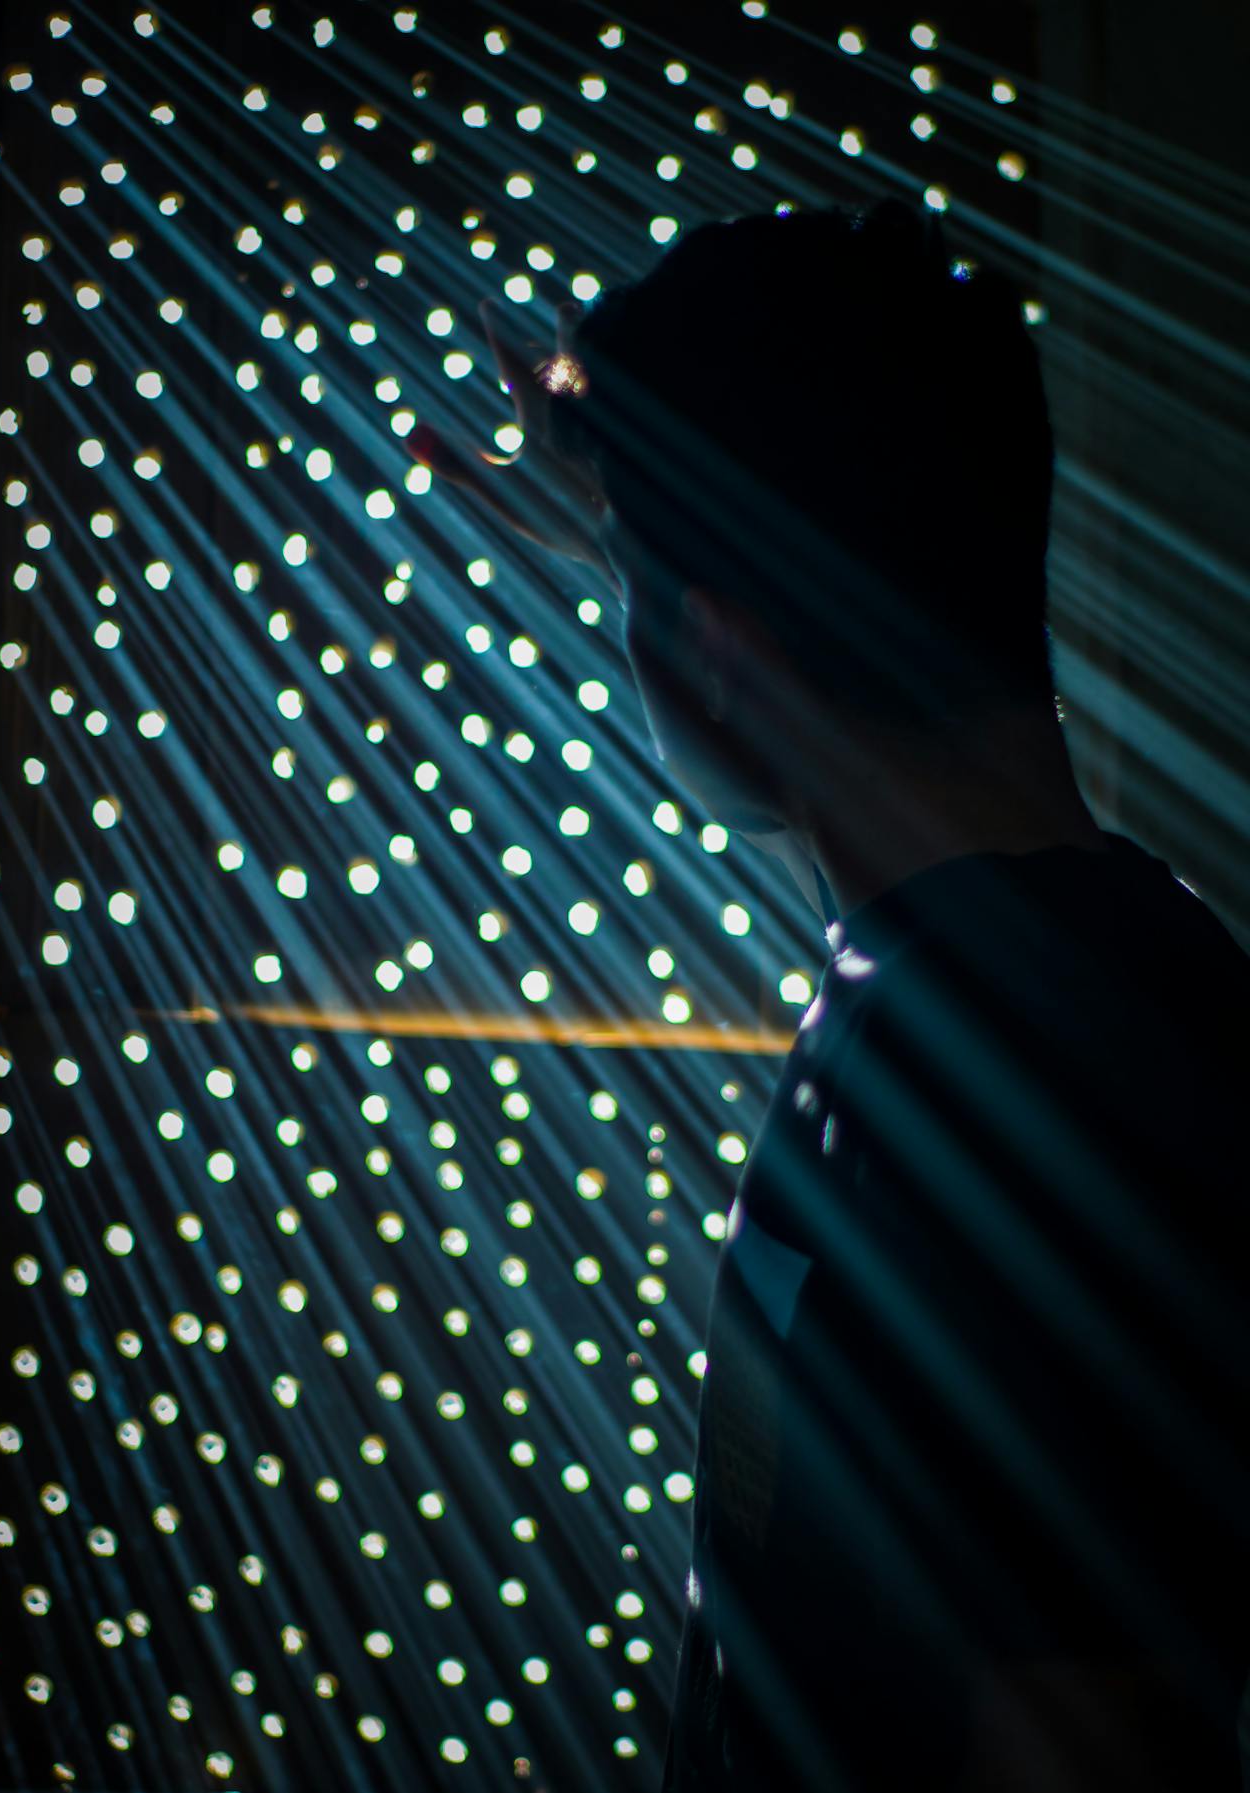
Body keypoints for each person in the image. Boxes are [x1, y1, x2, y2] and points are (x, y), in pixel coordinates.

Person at [412, 200, 1250, 1791]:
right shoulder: (1054, 997)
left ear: (722, 648)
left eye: (638, 592)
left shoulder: (1028, 1078)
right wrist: (640, 519)